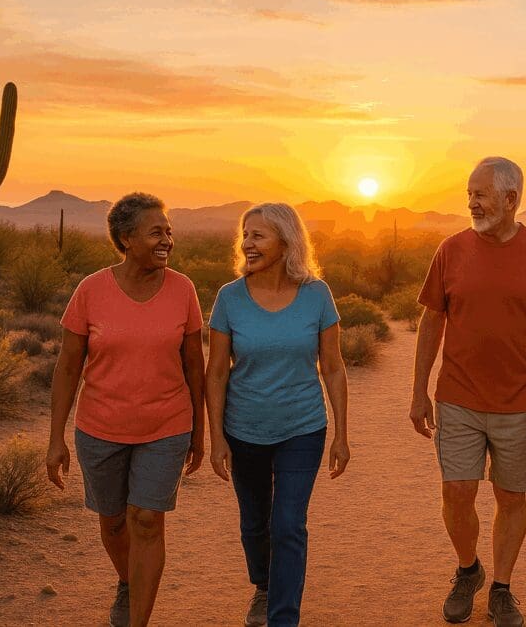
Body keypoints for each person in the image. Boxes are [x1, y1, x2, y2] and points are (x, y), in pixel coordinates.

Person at [410, 157, 526, 627]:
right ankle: (469, 570)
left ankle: (501, 588)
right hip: (458, 396)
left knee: (510, 496)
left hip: (522, 401)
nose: (472, 203)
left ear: (511, 198)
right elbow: (431, 320)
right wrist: (419, 391)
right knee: (457, 490)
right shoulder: (451, 249)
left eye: (480, 194)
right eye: (469, 194)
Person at [45, 192, 205, 627]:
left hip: (166, 425)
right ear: (126, 238)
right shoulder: (91, 290)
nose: (167, 240)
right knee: (114, 523)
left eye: (169, 231)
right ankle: (128, 580)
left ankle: (137, 620)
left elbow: (195, 365)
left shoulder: (183, 290)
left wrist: (199, 431)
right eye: (156, 232)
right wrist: (56, 438)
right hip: (100, 428)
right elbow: (67, 367)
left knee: (147, 519)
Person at [206, 202, 350, 627]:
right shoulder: (229, 298)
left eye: (258, 236)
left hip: (302, 428)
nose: (247, 244)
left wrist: (342, 434)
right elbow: (216, 373)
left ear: (286, 242)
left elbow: (333, 367)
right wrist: (216, 437)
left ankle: (282, 617)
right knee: (255, 524)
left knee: (288, 524)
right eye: (245, 235)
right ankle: (264, 586)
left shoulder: (317, 295)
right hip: (243, 429)